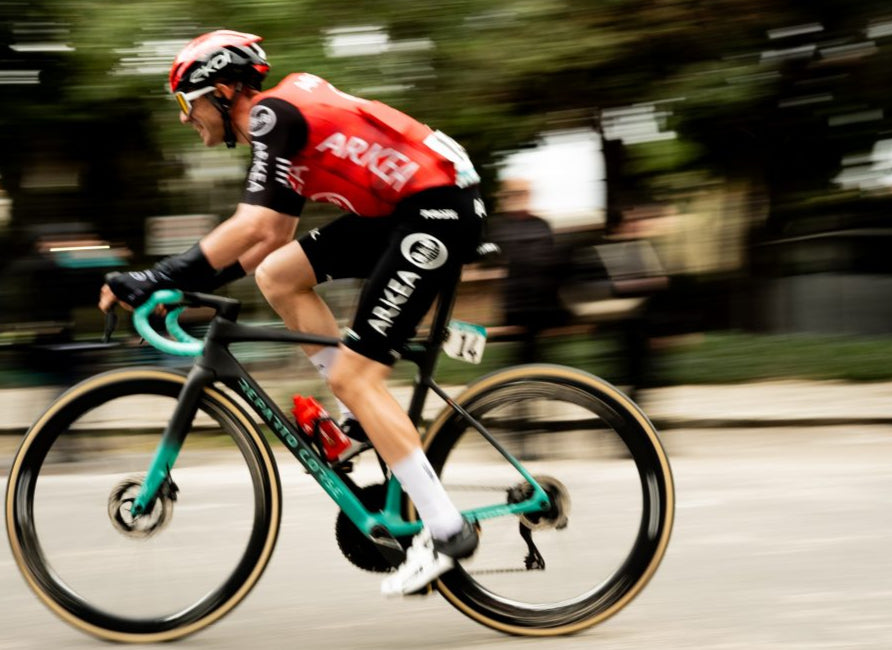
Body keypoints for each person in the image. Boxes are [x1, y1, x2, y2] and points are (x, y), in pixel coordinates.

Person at [98, 29, 484, 596]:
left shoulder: (272, 116)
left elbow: (251, 226)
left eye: (186, 101)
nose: (184, 117)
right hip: (405, 210)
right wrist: (180, 288)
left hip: (436, 211)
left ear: (222, 92)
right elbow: (268, 238)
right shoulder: (280, 128)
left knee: (357, 377)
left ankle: (447, 532)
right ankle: (356, 424)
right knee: (279, 274)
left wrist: (155, 278)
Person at [488, 179, 567, 364]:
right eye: (516, 193)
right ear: (506, 197)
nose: (521, 197)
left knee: (531, 351)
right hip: (519, 304)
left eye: (524, 193)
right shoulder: (499, 226)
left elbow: (549, 260)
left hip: (540, 302)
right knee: (527, 352)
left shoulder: (540, 224)